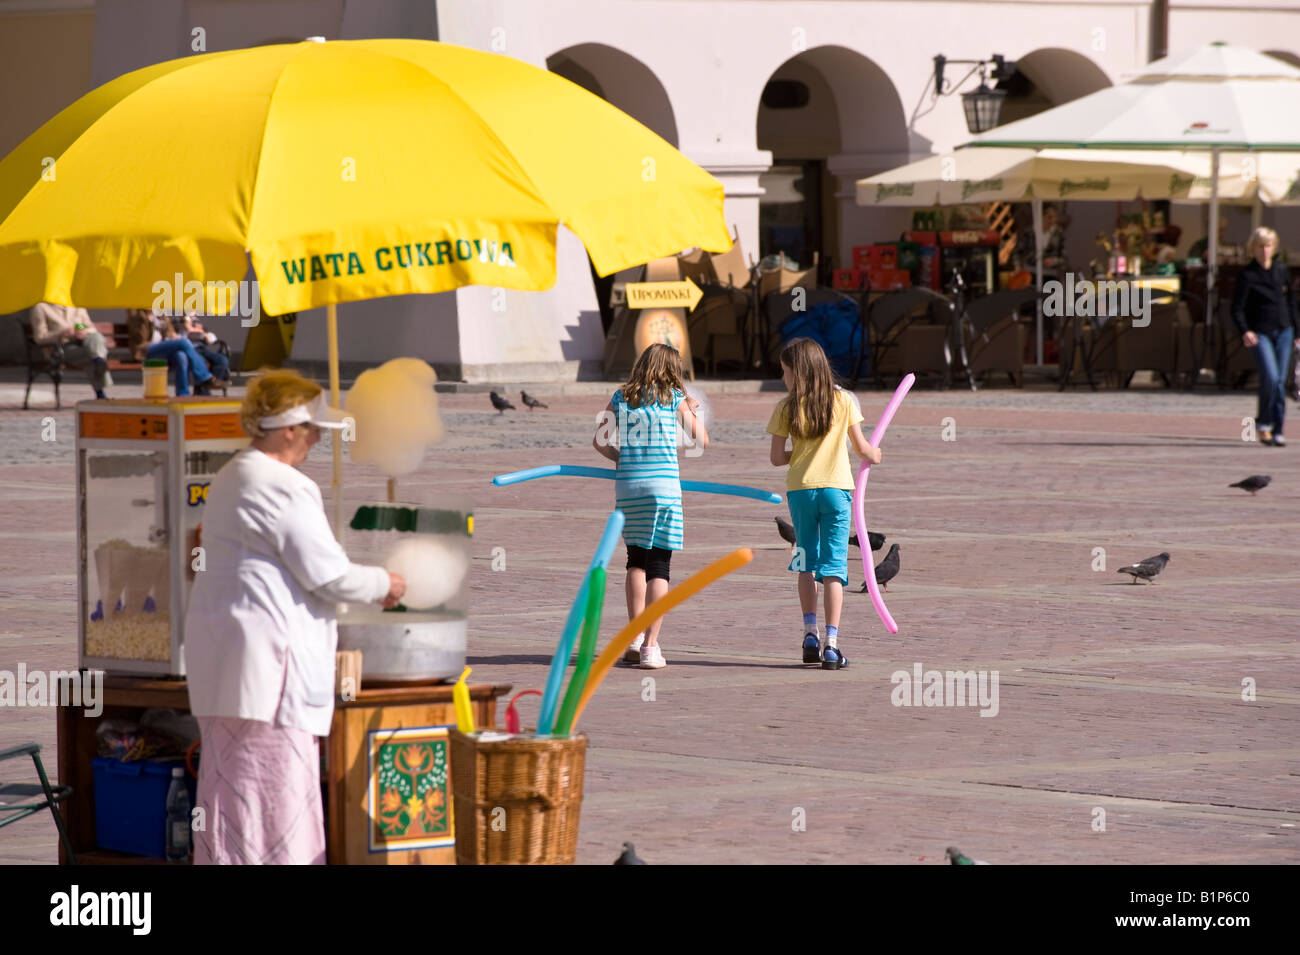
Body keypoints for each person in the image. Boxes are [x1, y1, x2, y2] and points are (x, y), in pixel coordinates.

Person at [184, 370, 406, 864]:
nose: (316, 441)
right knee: (276, 798)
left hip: (226, 662)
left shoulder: (232, 474)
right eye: (312, 431)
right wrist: (384, 584)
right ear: (289, 430)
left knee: (229, 792)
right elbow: (328, 575)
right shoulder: (285, 486)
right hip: (269, 673)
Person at [591, 343, 707, 669]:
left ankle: (635, 636)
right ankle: (650, 647)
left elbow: (599, 440)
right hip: (664, 490)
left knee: (635, 561)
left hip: (629, 489)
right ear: (673, 371)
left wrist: (621, 458)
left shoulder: (621, 396)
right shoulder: (674, 397)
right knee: (659, 565)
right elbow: (702, 439)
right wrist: (690, 409)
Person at [767, 339, 881, 670]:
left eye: (785, 371)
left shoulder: (786, 408)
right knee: (833, 568)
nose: (783, 377)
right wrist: (875, 454)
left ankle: (809, 634)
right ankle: (831, 644)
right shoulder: (843, 400)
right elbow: (862, 448)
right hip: (836, 491)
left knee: (805, 561)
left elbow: (776, 458)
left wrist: (802, 453)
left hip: (801, 492)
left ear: (798, 373)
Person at [1232, 227, 1300, 447]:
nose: (1265, 250)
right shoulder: (1248, 275)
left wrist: (1297, 331)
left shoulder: (1281, 270)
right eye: (1260, 246)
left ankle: (1277, 429)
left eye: (1268, 246)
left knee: (1280, 381)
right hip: (1260, 332)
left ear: (1274, 247)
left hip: (1284, 330)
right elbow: (1237, 308)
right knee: (1270, 377)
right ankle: (1264, 422)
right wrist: (1245, 330)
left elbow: (1291, 302)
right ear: (1253, 249)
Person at [28, 302, 112, 398]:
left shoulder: (76, 304)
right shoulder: (41, 307)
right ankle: (100, 390)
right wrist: (61, 333)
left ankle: (98, 360)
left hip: (83, 344)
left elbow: (88, 326)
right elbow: (39, 337)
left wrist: (80, 330)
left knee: (96, 337)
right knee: (91, 356)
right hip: (60, 348)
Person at [144, 310, 216, 395]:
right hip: (147, 348)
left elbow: (170, 332)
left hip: (164, 348)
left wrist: (172, 335)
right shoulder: (138, 312)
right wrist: (148, 319)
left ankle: (183, 394)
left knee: (181, 356)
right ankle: (205, 377)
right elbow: (139, 336)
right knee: (184, 342)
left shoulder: (161, 314)